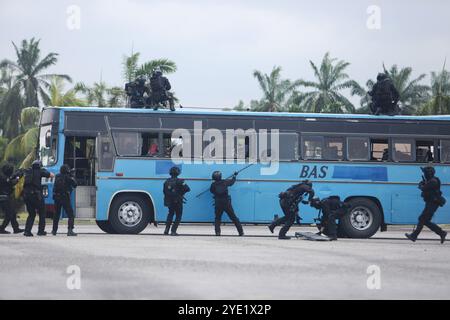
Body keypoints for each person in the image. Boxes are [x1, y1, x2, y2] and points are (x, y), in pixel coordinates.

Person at [405, 167, 447, 243]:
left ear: (429, 174)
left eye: (425, 173)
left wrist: (422, 184)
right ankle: (441, 233)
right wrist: (423, 183)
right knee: (425, 220)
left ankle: (414, 236)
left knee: (422, 219)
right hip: (430, 203)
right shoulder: (431, 180)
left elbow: (424, 188)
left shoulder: (433, 181)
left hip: (433, 203)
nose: (424, 174)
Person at [23, 160, 54, 237]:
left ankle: (27, 231)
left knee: (31, 214)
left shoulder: (28, 171)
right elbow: (51, 175)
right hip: (35, 195)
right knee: (42, 212)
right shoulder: (40, 171)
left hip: (26, 195)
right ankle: (41, 231)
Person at [210, 171, 244, 236]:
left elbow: (211, 191)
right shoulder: (225, 182)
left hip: (218, 203)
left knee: (217, 218)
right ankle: (241, 232)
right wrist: (234, 176)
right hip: (226, 203)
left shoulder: (213, 184)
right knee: (234, 218)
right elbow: (232, 182)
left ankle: (217, 232)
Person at [163, 166, 190, 236]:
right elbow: (188, 189)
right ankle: (173, 231)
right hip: (178, 201)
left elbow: (164, 192)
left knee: (170, 214)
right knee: (178, 215)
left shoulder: (166, 181)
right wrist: (181, 192)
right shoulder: (180, 181)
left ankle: (166, 230)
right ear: (178, 173)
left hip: (169, 201)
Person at [52, 164, 78, 236]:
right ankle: (70, 230)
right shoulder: (68, 177)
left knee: (56, 215)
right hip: (64, 197)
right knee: (71, 215)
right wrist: (72, 176)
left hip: (57, 198)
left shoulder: (57, 176)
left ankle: (54, 230)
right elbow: (75, 184)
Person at [0, 164, 24, 234]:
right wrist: (17, 178)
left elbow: (10, 179)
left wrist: (17, 175)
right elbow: (11, 182)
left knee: (13, 213)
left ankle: (16, 228)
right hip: (4, 198)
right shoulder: (3, 177)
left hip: (5, 197)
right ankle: (2, 228)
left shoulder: (4, 176)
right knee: (9, 214)